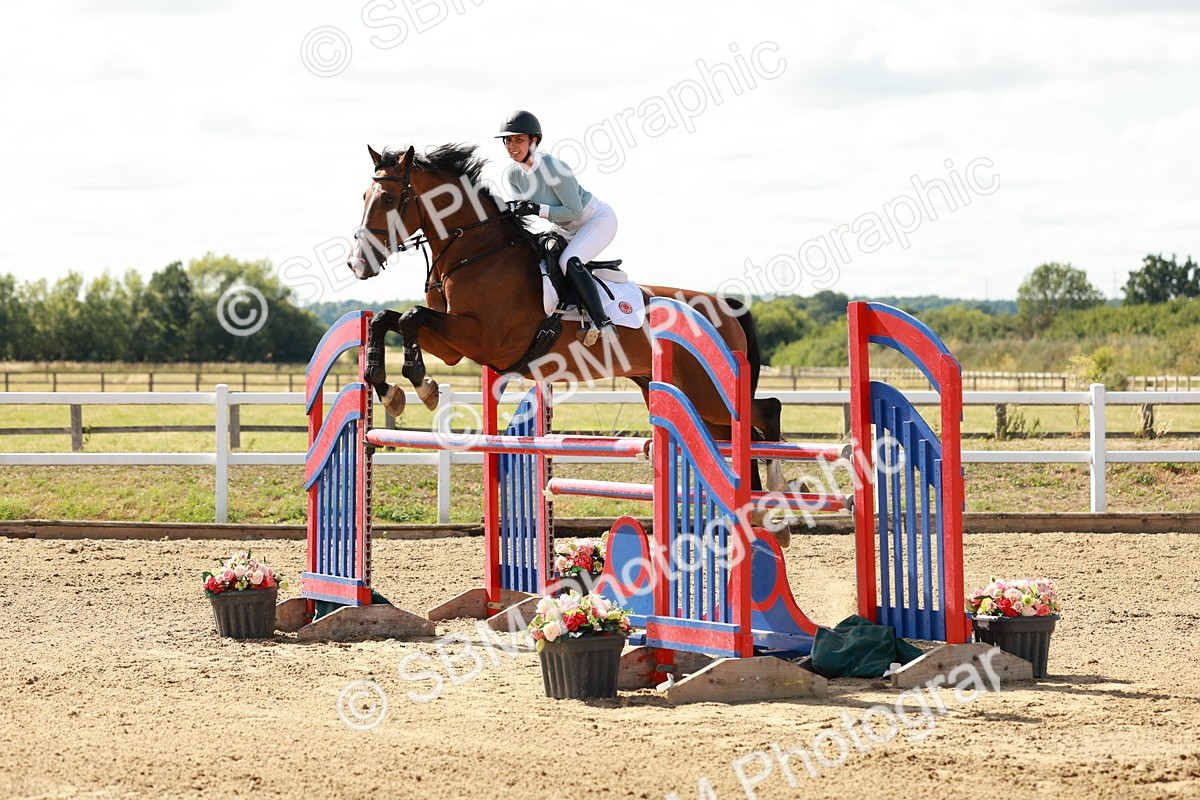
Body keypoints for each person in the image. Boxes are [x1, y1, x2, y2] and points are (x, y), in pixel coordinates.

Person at [496, 110, 619, 345]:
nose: (512, 146)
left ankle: (603, 322)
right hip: (564, 227)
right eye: (508, 140)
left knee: (568, 261)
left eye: (518, 140)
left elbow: (574, 212)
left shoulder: (554, 168)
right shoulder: (514, 174)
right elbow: (523, 211)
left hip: (596, 220)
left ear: (534, 141)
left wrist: (536, 209)